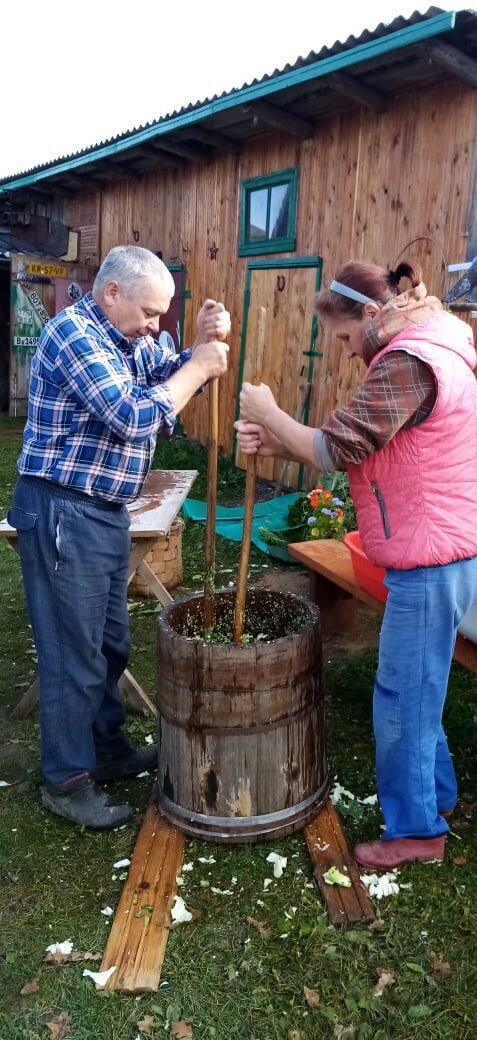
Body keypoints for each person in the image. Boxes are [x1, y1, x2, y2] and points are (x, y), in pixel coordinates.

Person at [236, 259, 477, 870]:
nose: (349, 352)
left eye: (348, 338)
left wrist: (271, 414)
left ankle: (415, 833)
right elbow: (372, 449)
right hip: (448, 554)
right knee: (421, 689)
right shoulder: (426, 350)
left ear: (373, 316)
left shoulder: (409, 363)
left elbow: (335, 447)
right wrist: (276, 440)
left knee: (402, 699)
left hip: (434, 563)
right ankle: (440, 798)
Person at [9, 245, 230, 830]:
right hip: (62, 511)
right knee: (72, 656)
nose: (157, 325)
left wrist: (198, 346)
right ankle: (65, 780)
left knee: (110, 647)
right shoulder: (73, 334)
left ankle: (106, 750)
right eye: (151, 312)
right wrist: (201, 367)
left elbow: (164, 374)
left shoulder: (125, 339)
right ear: (112, 294)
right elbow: (134, 415)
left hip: (105, 511)